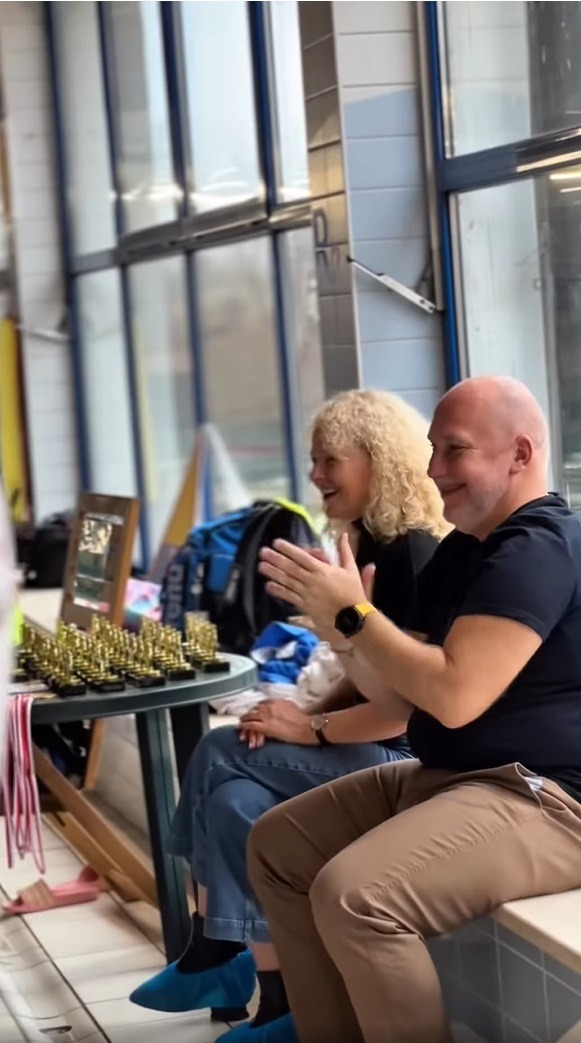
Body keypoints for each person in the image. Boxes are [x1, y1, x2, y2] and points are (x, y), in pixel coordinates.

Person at [252, 375, 581, 1043]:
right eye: (433, 449)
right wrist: (343, 636)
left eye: (454, 449)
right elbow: (404, 700)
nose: (434, 469)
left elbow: (456, 695)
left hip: (548, 799)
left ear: (519, 454)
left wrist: (355, 613)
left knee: (356, 897)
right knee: (279, 846)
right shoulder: (464, 549)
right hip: (459, 778)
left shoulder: (540, 546)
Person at [130, 390, 448, 1039]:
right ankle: (278, 1003)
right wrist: (299, 713)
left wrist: (308, 728)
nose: (315, 475)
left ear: (378, 459)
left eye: (329, 459)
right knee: (237, 802)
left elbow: (403, 712)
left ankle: (213, 948)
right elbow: (365, 675)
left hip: (411, 761)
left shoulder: (411, 553)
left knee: (219, 752)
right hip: (371, 740)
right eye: (313, 460)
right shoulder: (371, 544)